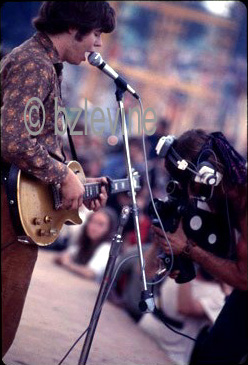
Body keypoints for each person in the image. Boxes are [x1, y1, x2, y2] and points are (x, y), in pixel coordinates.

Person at [1, 1, 115, 357]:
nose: (98, 44)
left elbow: (36, 147)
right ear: (74, 27)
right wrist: (62, 175)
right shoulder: (34, 64)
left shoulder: (47, 65)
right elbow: (13, 139)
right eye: (96, 33)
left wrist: (77, 183)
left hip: (17, 205)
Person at [151, 129, 247, 364]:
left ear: (209, 175)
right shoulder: (225, 194)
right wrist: (178, 257)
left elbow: (244, 277)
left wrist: (187, 249)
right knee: (212, 354)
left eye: (190, 185)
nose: (191, 194)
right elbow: (223, 250)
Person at [138, 267, 228, 365]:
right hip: (141, 335)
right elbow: (145, 272)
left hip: (169, 356)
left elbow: (185, 308)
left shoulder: (220, 295)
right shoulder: (178, 272)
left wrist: (184, 270)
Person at [54, 207, 117, 282]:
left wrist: (68, 264)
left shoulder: (106, 248)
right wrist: (64, 258)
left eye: (101, 224)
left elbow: (89, 273)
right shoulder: (86, 242)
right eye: (93, 222)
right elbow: (64, 255)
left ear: (109, 229)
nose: (94, 227)